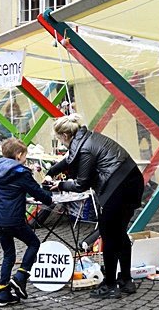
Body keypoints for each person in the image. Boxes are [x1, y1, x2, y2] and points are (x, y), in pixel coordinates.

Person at [47, 114, 145, 299]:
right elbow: (69, 160)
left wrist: (60, 185)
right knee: (120, 233)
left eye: (59, 139)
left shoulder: (84, 148)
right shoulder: (87, 138)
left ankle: (110, 285)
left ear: (65, 136)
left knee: (109, 235)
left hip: (117, 187)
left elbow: (81, 184)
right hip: (133, 181)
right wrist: (53, 171)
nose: (60, 143)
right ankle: (126, 280)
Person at [0, 138, 54, 307]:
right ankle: (21, 276)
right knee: (34, 243)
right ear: (19, 155)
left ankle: (2, 293)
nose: (26, 158)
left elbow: (14, 188)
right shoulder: (20, 173)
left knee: (9, 255)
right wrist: (50, 198)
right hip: (14, 220)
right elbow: (38, 192)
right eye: (25, 155)